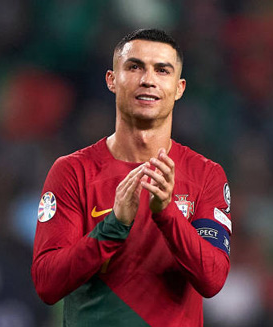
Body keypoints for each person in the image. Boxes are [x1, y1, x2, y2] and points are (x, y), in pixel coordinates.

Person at [31, 28, 232, 327]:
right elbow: (47, 283)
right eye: (134, 66)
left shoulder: (205, 175)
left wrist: (167, 214)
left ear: (179, 87)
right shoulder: (73, 172)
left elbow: (212, 280)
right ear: (112, 80)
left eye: (162, 70)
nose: (148, 79)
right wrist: (115, 226)